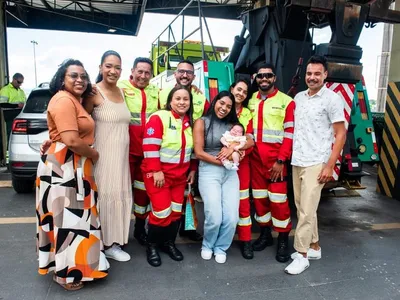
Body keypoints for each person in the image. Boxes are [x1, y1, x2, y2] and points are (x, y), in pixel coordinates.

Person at [36, 59, 108, 291]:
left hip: (73, 165)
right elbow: (71, 140)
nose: (79, 80)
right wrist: (94, 155)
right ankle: (65, 274)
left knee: (77, 220)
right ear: (61, 79)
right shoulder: (63, 99)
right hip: (64, 168)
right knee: (66, 222)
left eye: (83, 76)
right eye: (73, 76)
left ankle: (80, 266)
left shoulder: (75, 101)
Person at [285, 55, 346, 275]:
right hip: (298, 159)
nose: (312, 77)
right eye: (309, 73)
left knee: (305, 211)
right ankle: (314, 247)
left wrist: (330, 165)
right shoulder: (299, 97)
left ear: (325, 75)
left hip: (316, 162)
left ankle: (301, 255)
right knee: (305, 208)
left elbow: (340, 134)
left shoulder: (332, 99)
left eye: (317, 74)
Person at [194, 91, 254, 264]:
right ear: (214, 102)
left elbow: (250, 140)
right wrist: (223, 161)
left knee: (231, 216)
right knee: (214, 215)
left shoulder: (233, 125)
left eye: (228, 106)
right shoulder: (202, 122)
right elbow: (198, 153)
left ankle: (221, 247)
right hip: (209, 170)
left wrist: (233, 148)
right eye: (222, 103)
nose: (224, 108)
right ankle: (208, 245)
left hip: (230, 174)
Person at [83, 50, 132, 261]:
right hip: (102, 158)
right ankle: (99, 246)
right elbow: (82, 124)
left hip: (121, 159)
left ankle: (113, 245)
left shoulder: (122, 92)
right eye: (109, 66)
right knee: (103, 199)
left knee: (119, 196)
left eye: (117, 67)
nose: (113, 71)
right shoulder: (94, 93)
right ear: (101, 67)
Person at [141, 86, 197, 267]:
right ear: (170, 101)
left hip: (179, 177)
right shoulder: (160, 117)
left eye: (186, 99)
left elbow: (193, 151)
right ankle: (152, 246)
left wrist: (193, 170)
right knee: (161, 212)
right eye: (178, 98)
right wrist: (156, 170)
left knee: (174, 213)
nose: (182, 102)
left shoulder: (190, 122)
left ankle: (168, 243)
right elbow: (149, 145)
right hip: (159, 175)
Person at [248, 63, 295, 263]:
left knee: (279, 202)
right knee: (260, 200)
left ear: (274, 78)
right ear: (256, 78)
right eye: (261, 76)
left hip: (276, 162)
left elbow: (289, 134)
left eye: (268, 75)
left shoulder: (287, 102)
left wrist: (281, 160)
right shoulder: (252, 100)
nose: (264, 79)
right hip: (255, 161)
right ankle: (265, 235)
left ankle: (283, 240)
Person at [159, 59, 208, 241]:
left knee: (188, 193)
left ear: (194, 76)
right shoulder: (162, 94)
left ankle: (186, 228)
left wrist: (195, 165)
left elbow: (204, 126)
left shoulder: (200, 97)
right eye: (181, 71)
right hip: (167, 156)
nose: (185, 75)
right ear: (175, 74)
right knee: (164, 198)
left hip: (189, 154)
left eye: (189, 72)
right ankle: (160, 233)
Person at [118, 57, 160, 246]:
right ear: (133, 71)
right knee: (123, 193)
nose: (143, 76)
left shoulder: (156, 91)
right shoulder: (121, 87)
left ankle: (139, 228)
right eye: (140, 71)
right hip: (126, 151)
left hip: (147, 154)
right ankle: (118, 233)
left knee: (142, 193)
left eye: (147, 73)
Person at [230, 79, 254, 259]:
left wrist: (242, 149)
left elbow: (251, 139)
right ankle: (222, 239)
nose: (241, 94)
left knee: (243, 202)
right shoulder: (222, 106)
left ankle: (246, 240)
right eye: (238, 89)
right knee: (222, 203)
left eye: (245, 92)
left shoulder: (247, 113)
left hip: (242, 163)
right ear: (232, 89)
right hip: (221, 162)